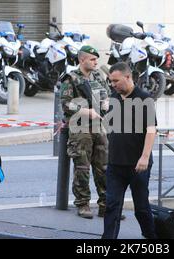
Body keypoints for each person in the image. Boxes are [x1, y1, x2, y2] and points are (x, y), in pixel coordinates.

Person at [102, 62, 157, 239]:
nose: (113, 84)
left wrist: (144, 157)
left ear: (128, 77)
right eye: (111, 81)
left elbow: (151, 130)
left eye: (116, 81)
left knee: (141, 208)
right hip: (115, 164)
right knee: (111, 206)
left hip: (138, 165)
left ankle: (152, 239)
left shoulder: (144, 98)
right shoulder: (114, 97)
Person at [60, 45, 110, 219]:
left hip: (99, 126)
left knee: (103, 166)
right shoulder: (71, 78)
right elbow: (66, 104)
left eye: (97, 59)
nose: (96, 62)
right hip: (80, 127)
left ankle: (105, 205)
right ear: (82, 60)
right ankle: (83, 204)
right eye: (92, 59)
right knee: (82, 167)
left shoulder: (98, 75)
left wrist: (105, 103)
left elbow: (106, 94)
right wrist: (86, 111)